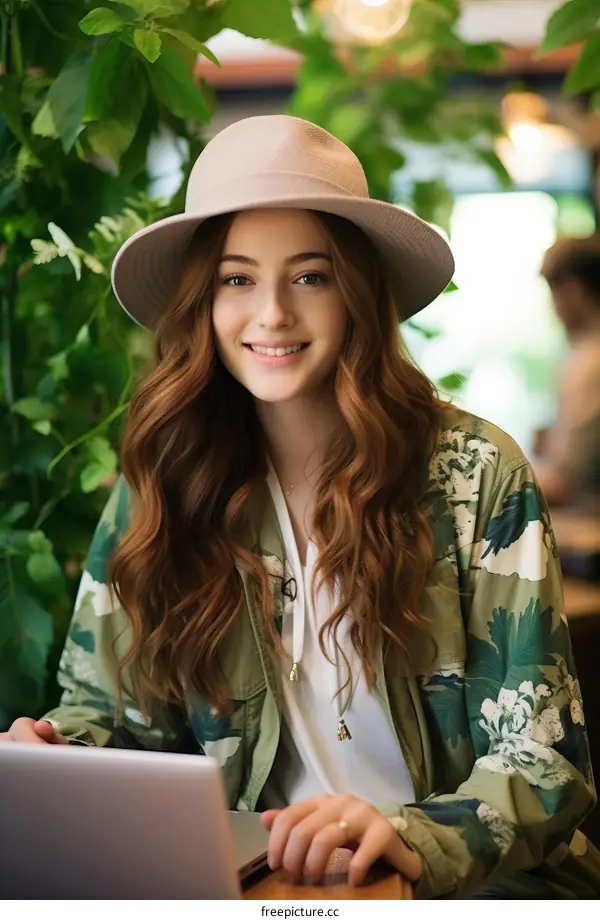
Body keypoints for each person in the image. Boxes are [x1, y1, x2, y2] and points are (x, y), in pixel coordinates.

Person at [2, 115, 600, 899]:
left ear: (356, 291)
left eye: (310, 276)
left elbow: (545, 759)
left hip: (472, 891)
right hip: (263, 887)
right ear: (203, 302)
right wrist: (58, 751)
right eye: (237, 278)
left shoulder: (476, 474)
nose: (273, 314)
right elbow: (107, 712)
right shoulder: (166, 481)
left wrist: (410, 836)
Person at [535, 235, 600, 508]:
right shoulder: (582, 355)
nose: (553, 307)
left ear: (572, 289)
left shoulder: (590, 364)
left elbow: (565, 481)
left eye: (553, 293)